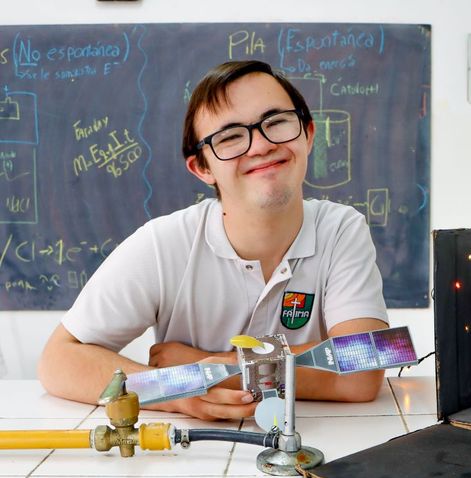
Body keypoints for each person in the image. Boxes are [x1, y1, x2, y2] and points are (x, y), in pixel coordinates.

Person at [38, 60, 389, 420]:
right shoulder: (164, 244)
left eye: (277, 122)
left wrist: (211, 367)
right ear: (202, 167)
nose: (261, 145)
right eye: (231, 136)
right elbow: (58, 360)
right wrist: (174, 388)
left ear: (308, 133)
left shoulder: (342, 229)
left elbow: (362, 370)